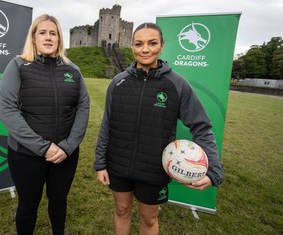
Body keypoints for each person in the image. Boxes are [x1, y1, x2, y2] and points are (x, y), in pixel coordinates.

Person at [94, 22, 225, 234]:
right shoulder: (118, 82)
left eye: (152, 43)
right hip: (118, 163)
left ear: (162, 46)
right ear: (132, 47)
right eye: (139, 44)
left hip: (154, 168)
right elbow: (107, 124)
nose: (145, 49)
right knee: (121, 209)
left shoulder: (177, 84)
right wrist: (100, 163)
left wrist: (214, 170)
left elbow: (201, 126)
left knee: (148, 219)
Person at [0, 14, 90, 235]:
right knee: (28, 206)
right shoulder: (18, 65)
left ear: (59, 39)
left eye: (53, 33)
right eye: (43, 32)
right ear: (34, 37)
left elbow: (83, 108)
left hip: (65, 156)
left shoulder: (73, 70)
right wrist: (43, 147)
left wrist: (68, 147)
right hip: (26, 156)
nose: (48, 37)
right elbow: (7, 110)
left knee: (59, 202)